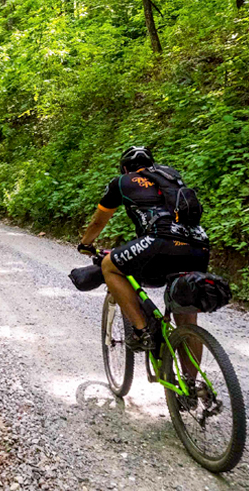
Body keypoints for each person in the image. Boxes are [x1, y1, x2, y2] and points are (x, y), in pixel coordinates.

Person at [78, 146, 210, 352]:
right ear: (151, 164)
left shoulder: (122, 182)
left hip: (161, 243)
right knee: (187, 321)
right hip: (198, 246)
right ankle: (192, 383)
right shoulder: (171, 177)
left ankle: (142, 331)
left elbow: (98, 222)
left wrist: (86, 244)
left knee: (110, 266)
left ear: (124, 168)